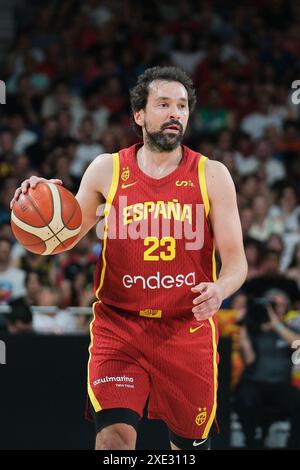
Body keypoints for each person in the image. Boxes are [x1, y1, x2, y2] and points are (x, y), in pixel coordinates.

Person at [10, 66, 247, 450]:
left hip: (184, 329)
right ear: (139, 114)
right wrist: (48, 208)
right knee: (113, 441)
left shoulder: (212, 175)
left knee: (185, 449)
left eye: (182, 106)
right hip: (120, 328)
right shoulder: (107, 169)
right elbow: (64, 238)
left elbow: (236, 263)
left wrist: (220, 290)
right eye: (164, 104)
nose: (175, 113)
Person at [234, 289, 300, 449]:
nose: (275, 308)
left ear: (286, 307)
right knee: (244, 398)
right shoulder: (254, 330)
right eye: (272, 304)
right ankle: (253, 442)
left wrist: (276, 324)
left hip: (281, 385)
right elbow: (249, 359)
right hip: (255, 383)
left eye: (279, 305)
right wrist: (243, 325)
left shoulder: (290, 329)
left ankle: (293, 445)